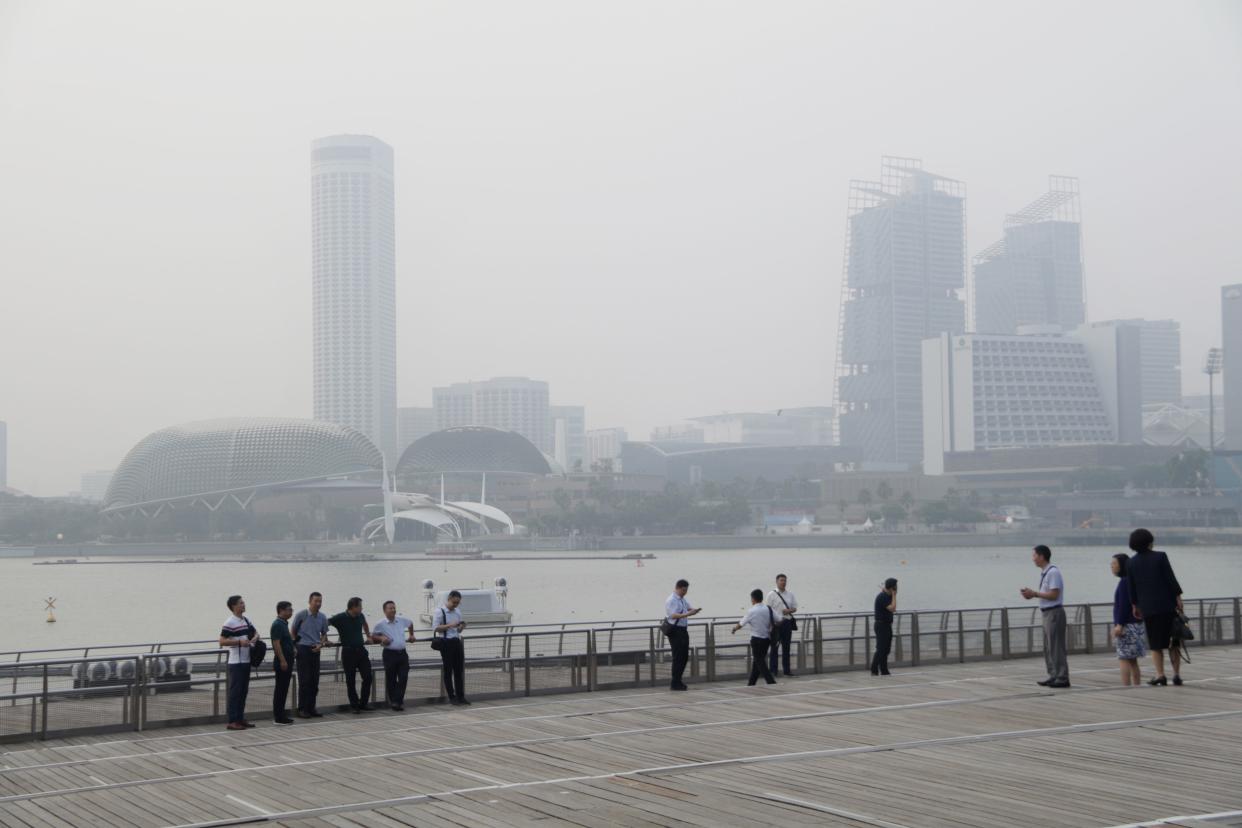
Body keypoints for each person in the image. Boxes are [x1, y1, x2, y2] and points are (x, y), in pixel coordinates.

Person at [1127, 528, 1185, 687]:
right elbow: (1170, 579)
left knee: (1155, 644)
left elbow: (1131, 587)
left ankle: (1160, 675)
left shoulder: (1131, 562)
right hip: (1167, 605)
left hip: (1148, 608)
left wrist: (1135, 605)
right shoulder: (1160, 557)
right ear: (1150, 542)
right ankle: (1177, 675)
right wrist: (1178, 597)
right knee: (1173, 641)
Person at [1021, 545, 1070, 688]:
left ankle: (1062, 677)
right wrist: (1031, 595)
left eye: (1034, 556)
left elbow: (1054, 594)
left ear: (1042, 556)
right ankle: (1054, 675)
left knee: (1055, 647)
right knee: (1049, 647)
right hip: (1047, 613)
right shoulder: (1046, 572)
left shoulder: (1053, 572)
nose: (1033, 559)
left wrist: (1034, 594)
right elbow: (1048, 594)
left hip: (1054, 612)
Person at [218, 595, 259, 731]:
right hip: (236, 662)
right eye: (241, 603)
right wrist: (239, 642)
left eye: (243, 602)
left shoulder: (246, 620)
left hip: (246, 660)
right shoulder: (230, 622)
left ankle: (240, 718)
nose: (243, 604)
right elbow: (222, 641)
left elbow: (256, 633)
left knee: (243, 691)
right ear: (234, 606)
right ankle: (232, 720)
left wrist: (254, 638)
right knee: (235, 692)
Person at [329, 597, 374, 712]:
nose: (362, 608)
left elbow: (365, 624)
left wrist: (368, 636)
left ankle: (363, 703)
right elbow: (325, 623)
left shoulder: (361, 615)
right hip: (348, 652)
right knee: (350, 680)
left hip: (361, 651)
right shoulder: (340, 617)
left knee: (368, 677)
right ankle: (354, 705)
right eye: (360, 606)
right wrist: (323, 639)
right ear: (353, 607)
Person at [290, 591, 330, 718]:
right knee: (304, 680)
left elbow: (324, 633)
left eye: (320, 601)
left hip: (315, 649)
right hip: (303, 648)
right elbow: (293, 631)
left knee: (314, 681)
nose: (318, 604)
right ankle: (302, 709)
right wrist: (294, 646)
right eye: (316, 601)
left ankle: (311, 708)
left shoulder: (322, 617)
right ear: (310, 601)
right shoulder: (301, 615)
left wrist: (321, 644)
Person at [371, 600, 416, 711]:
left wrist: (411, 635)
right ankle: (395, 702)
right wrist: (382, 638)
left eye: (394, 608)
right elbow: (373, 636)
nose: (393, 610)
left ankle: (397, 701)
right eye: (390, 608)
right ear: (384, 611)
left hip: (402, 653)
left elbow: (410, 623)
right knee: (391, 679)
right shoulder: (380, 624)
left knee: (403, 677)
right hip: (389, 654)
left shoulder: (401, 620)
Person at [1110, 553, 1146, 686]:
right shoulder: (1132, 580)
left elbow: (1123, 606)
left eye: (1114, 564)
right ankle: (1137, 685)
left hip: (1127, 626)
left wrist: (1119, 625)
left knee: (1124, 658)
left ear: (1122, 566)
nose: (1111, 566)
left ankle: (1126, 686)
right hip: (1136, 624)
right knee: (1133, 661)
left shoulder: (1124, 582)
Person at [732, 588, 777, 686]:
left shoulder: (752, 611)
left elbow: (741, 623)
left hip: (756, 639)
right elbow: (779, 619)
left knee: (759, 661)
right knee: (758, 661)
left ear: (753, 599)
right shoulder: (769, 609)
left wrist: (734, 629)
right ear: (761, 598)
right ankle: (751, 683)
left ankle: (771, 681)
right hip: (767, 639)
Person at [664, 579, 701, 691]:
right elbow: (673, 615)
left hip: (683, 630)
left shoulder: (682, 599)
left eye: (686, 590)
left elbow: (688, 608)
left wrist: (694, 610)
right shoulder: (672, 600)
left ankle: (678, 680)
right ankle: (675, 682)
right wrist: (687, 614)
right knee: (678, 657)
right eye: (683, 590)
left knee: (684, 657)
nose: (685, 592)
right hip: (675, 631)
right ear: (678, 588)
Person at [433, 590, 469, 705]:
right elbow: (435, 628)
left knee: (459, 670)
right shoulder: (440, 611)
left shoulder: (457, 611)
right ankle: (452, 697)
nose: (455, 605)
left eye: (458, 603)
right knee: (448, 671)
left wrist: (462, 627)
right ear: (449, 599)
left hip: (456, 642)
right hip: (446, 642)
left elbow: (457, 630)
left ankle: (461, 696)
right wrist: (449, 625)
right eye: (454, 602)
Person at [765, 574, 798, 677]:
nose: (783, 582)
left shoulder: (790, 594)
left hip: (787, 622)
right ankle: (773, 671)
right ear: (776, 582)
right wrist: (770, 624)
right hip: (775, 624)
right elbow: (767, 609)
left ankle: (787, 671)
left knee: (786, 647)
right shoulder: (771, 594)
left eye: (785, 580)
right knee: (774, 647)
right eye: (781, 580)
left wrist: (789, 610)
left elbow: (795, 607)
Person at [270, 601, 296, 724]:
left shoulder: (284, 624)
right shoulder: (277, 625)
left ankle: (281, 714)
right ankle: (278, 716)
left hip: (288, 659)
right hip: (283, 661)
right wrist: (282, 660)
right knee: (280, 689)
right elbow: (276, 643)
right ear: (281, 610)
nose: (291, 612)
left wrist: (293, 649)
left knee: (284, 688)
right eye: (289, 609)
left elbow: (287, 641)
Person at [871, 578, 897, 676]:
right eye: (895, 586)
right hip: (881, 625)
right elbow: (893, 608)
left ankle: (882, 669)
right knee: (881, 648)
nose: (897, 589)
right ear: (892, 587)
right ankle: (875, 669)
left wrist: (892, 595)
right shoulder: (882, 597)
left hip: (887, 625)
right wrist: (894, 595)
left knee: (886, 649)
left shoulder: (887, 596)